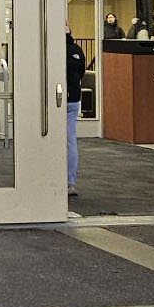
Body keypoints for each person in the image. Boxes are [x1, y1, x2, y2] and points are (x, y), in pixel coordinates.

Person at [66, 27, 86, 196]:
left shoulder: (49, 47)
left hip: (52, 99)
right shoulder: (77, 50)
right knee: (70, 139)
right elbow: (81, 73)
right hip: (73, 98)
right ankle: (70, 181)